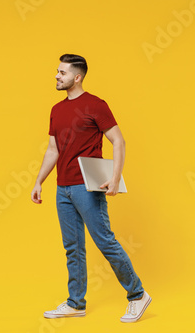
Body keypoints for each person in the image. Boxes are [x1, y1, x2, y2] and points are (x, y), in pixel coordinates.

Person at [30, 54, 151, 323]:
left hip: (88, 186)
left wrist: (115, 178)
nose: (56, 76)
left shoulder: (96, 105)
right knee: (72, 247)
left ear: (77, 76)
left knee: (105, 242)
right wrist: (39, 181)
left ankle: (137, 295)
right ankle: (76, 303)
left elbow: (118, 141)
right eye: (57, 71)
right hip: (63, 188)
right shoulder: (56, 110)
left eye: (61, 72)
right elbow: (53, 149)